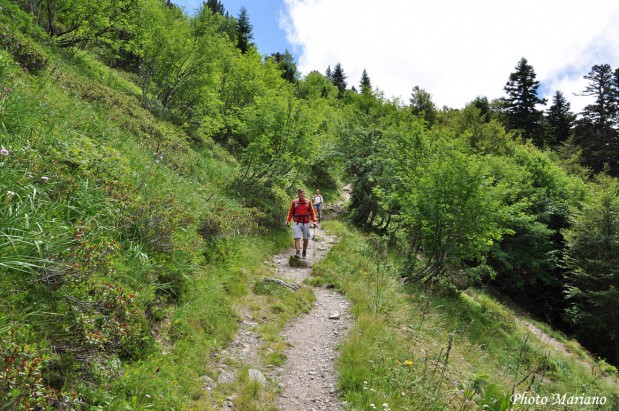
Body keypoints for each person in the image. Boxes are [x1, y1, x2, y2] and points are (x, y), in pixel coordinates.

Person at [286, 189, 318, 258]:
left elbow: (312, 212)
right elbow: (291, 212)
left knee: (306, 239)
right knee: (297, 238)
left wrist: (314, 221)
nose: (301, 196)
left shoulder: (308, 202)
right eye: (299, 195)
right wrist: (288, 220)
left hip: (306, 223)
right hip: (297, 223)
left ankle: (304, 251)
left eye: (302, 195)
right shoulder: (294, 202)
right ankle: (297, 253)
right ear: (298, 194)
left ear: (304, 194)